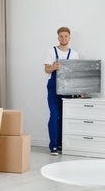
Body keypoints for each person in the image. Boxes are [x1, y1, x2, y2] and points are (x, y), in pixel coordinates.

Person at [44, 27, 79, 156]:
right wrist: (54, 67)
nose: (63, 38)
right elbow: (46, 70)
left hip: (69, 88)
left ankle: (62, 144)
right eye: (61, 36)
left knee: (65, 116)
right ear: (58, 38)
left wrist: (80, 91)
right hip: (54, 87)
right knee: (54, 114)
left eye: (66, 36)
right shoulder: (51, 51)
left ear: (69, 38)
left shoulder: (74, 54)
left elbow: (76, 74)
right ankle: (53, 145)